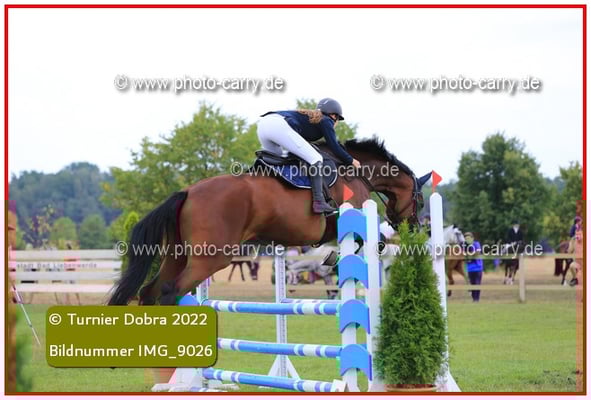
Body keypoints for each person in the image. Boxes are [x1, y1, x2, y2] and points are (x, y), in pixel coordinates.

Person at [257, 98, 361, 214]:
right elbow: (334, 146)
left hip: (263, 125)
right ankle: (319, 202)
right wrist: (351, 160)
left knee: (278, 157)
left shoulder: (310, 119)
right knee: (316, 158)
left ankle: (258, 178)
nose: (336, 123)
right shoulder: (327, 120)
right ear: (334, 116)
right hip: (278, 125)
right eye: (338, 119)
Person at [464, 232, 483, 302]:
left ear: (472, 238)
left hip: (478, 267)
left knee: (477, 283)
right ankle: (474, 299)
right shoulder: (465, 246)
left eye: (468, 238)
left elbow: (477, 252)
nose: (467, 240)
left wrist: (468, 254)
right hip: (470, 268)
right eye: (466, 239)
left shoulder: (476, 244)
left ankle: (476, 299)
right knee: (472, 284)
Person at [568, 217, 583, 286]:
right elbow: (571, 234)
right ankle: (575, 279)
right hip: (578, 260)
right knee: (571, 266)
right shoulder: (574, 227)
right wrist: (574, 238)